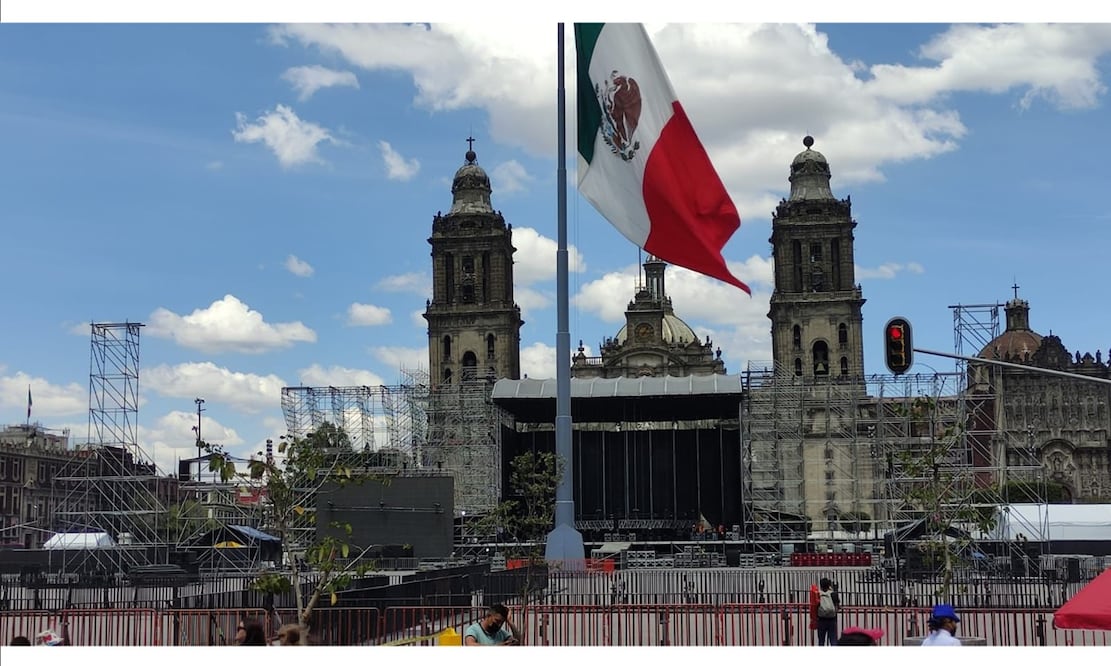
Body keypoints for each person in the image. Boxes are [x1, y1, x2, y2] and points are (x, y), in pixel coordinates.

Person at [815, 578, 841, 646]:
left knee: (821, 641)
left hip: (821, 619)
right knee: (833, 640)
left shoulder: (818, 594)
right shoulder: (833, 594)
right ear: (829, 585)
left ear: (821, 585)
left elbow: (815, 606)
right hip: (832, 619)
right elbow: (838, 606)